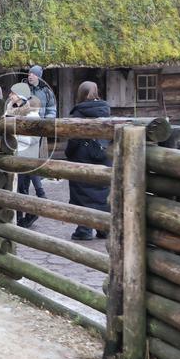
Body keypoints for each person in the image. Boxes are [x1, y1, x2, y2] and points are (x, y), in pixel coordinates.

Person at [66, 81, 111, 240]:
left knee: (83, 193)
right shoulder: (105, 111)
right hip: (103, 156)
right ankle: (104, 228)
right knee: (102, 192)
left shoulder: (79, 114)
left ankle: (84, 229)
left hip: (83, 156)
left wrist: (69, 154)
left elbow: (74, 140)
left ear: (81, 94)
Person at [7, 85, 46, 228]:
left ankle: (29, 213)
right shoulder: (13, 111)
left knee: (22, 189)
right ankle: (20, 218)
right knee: (18, 188)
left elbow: (33, 140)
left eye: (13, 93)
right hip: (18, 155)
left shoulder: (32, 116)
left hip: (26, 157)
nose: (10, 96)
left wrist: (15, 135)